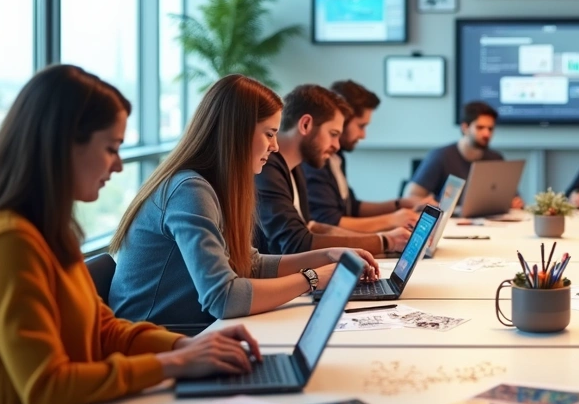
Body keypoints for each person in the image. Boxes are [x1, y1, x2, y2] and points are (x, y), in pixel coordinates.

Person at [0, 65, 260, 404]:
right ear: (63, 145)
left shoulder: (45, 233)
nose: (119, 165)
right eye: (111, 148)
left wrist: (183, 347)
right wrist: (174, 364)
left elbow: (103, 329)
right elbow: (48, 392)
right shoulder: (4, 244)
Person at [108, 75, 380, 327]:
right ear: (237, 133)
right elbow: (224, 298)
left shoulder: (215, 186)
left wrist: (327, 255)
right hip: (159, 343)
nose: (274, 146)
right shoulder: (189, 191)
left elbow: (250, 264)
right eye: (269, 133)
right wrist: (314, 278)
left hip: (194, 333)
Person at [255, 84, 410, 256]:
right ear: (305, 124)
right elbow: (295, 243)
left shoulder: (294, 167)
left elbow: (310, 228)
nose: (336, 146)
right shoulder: (266, 170)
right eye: (333, 134)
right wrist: (385, 241)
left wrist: (384, 239)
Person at [303, 80, 430, 233]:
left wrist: (400, 204)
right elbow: (329, 222)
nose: (363, 135)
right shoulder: (315, 162)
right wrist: (392, 220)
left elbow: (352, 207)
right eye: (361, 126)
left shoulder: (337, 157)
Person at [406, 101, 524, 209]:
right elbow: (410, 197)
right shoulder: (440, 156)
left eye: (490, 129)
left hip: (487, 222)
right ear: (465, 127)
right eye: (480, 127)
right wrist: (432, 205)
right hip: (450, 222)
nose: (486, 133)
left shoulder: (496, 158)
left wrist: (514, 202)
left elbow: (511, 196)